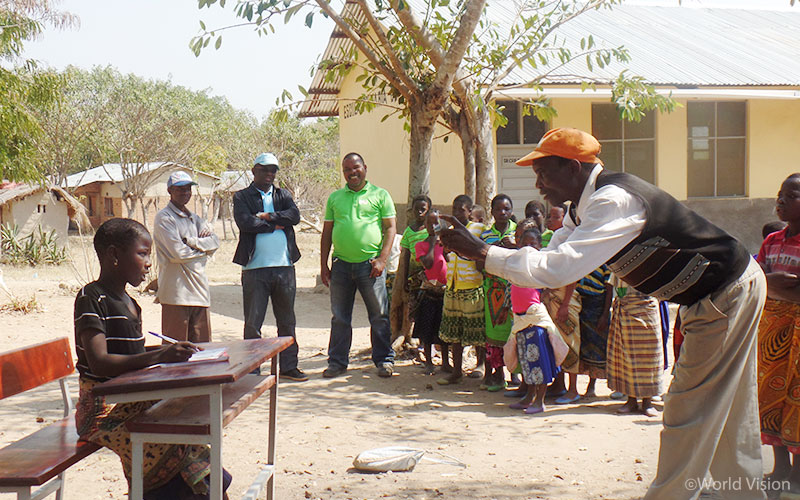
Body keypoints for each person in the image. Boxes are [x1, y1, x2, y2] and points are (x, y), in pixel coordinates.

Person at [439, 127, 766, 500]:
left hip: (726, 291)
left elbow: (561, 268)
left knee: (685, 410)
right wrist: (483, 251)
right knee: (731, 412)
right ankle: (744, 492)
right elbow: (550, 258)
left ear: (574, 169)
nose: (539, 185)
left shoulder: (613, 200)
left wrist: (483, 253)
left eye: (544, 173)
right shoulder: (584, 210)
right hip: (717, 292)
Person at [74, 218, 232, 499]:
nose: (149, 263)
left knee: (191, 439)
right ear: (113, 255)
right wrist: (159, 354)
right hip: (102, 411)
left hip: (130, 400)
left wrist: (168, 355)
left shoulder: (129, 302)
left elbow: (130, 356)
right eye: (142, 253)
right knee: (172, 448)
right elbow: (99, 362)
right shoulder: (92, 298)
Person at [320, 152, 397, 378]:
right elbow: (327, 232)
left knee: (379, 315)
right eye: (347, 170)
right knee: (340, 317)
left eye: (355, 168)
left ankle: (384, 360)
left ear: (365, 167)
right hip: (341, 265)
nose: (352, 173)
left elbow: (390, 228)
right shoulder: (335, 198)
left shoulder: (380, 195)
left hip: (370, 266)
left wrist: (382, 259)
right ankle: (337, 362)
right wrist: (324, 265)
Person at [233, 153, 306, 382]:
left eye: (273, 170)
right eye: (265, 170)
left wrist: (267, 217)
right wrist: (276, 224)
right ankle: (253, 369)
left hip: (284, 267)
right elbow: (245, 222)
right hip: (255, 269)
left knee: (287, 321)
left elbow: (294, 216)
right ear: (254, 170)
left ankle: (288, 366)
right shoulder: (242, 196)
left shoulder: (282, 194)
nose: (269, 174)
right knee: (253, 323)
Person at [757, 174, 800, 496]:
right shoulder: (771, 241)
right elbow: (756, 276)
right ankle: (780, 468)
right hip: (773, 333)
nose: (781, 201)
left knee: (797, 400)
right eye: (780, 194)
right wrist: (771, 282)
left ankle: (798, 472)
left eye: (791, 195)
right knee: (771, 398)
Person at [152, 171, 220, 344]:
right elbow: (178, 253)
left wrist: (191, 241)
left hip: (200, 293)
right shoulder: (164, 218)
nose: (185, 193)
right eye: (180, 189)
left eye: (188, 189)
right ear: (169, 191)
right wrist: (204, 253)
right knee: (175, 350)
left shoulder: (194, 218)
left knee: (202, 349)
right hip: (176, 294)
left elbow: (215, 242)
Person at [506, 222, 565, 414]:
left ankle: (540, 401)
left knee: (539, 362)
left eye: (533, 244)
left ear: (539, 247)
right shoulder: (516, 264)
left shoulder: (541, 265)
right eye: (525, 243)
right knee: (527, 361)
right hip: (521, 320)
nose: (528, 248)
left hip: (536, 320)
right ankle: (529, 397)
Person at [437, 195, 486, 385]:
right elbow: (445, 253)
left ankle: (480, 365)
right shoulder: (449, 231)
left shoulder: (478, 229)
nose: (457, 212)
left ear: (470, 211)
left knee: (477, 330)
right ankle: (456, 370)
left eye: (461, 209)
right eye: (454, 209)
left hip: (472, 285)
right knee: (453, 331)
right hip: (453, 285)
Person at [606, 272, 665, 417]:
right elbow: (617, 285)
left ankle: (647, 402)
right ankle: (631, 401)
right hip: (625, 309)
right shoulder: (621, 262)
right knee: (627, 357)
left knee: (649, 357)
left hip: (647, 308)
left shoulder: (653, 262)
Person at [478, 194, 517, 391]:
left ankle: (516, 374)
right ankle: (499, 373)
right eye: (498, 209)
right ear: (491, 212)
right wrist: (493, 251)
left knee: (515, 331)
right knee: (495, 334)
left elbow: (530, 256)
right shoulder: (485, 237)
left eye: (506, 209)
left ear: (511, 211)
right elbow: (478, 264)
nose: (503, 213)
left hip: (516, 290)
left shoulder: (518, 233)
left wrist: (515, 247)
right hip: (493, 290)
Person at [390, 194, 431, 345]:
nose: (420, 212)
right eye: (417, 209)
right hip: (414, 275)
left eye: (423, 209)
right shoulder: (408, 231)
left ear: (429, 210)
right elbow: (405, 256)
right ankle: (407, 335)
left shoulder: (432, 230)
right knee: (412, 306)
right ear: (411, 211)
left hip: (430, 274)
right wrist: (405, 278)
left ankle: (427, 342)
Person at [413, 210, 449, 374]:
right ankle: (428, 361)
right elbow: (427, 263)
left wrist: (443, 243)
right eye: (430, 223)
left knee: (445, 330)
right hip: (428, 292)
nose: (434, 227)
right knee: (426, 329)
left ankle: (446, 362)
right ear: (426, 226)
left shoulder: (447, 245)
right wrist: (433, 241)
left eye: (437, 223)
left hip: (445, 292)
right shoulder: (421, 245)